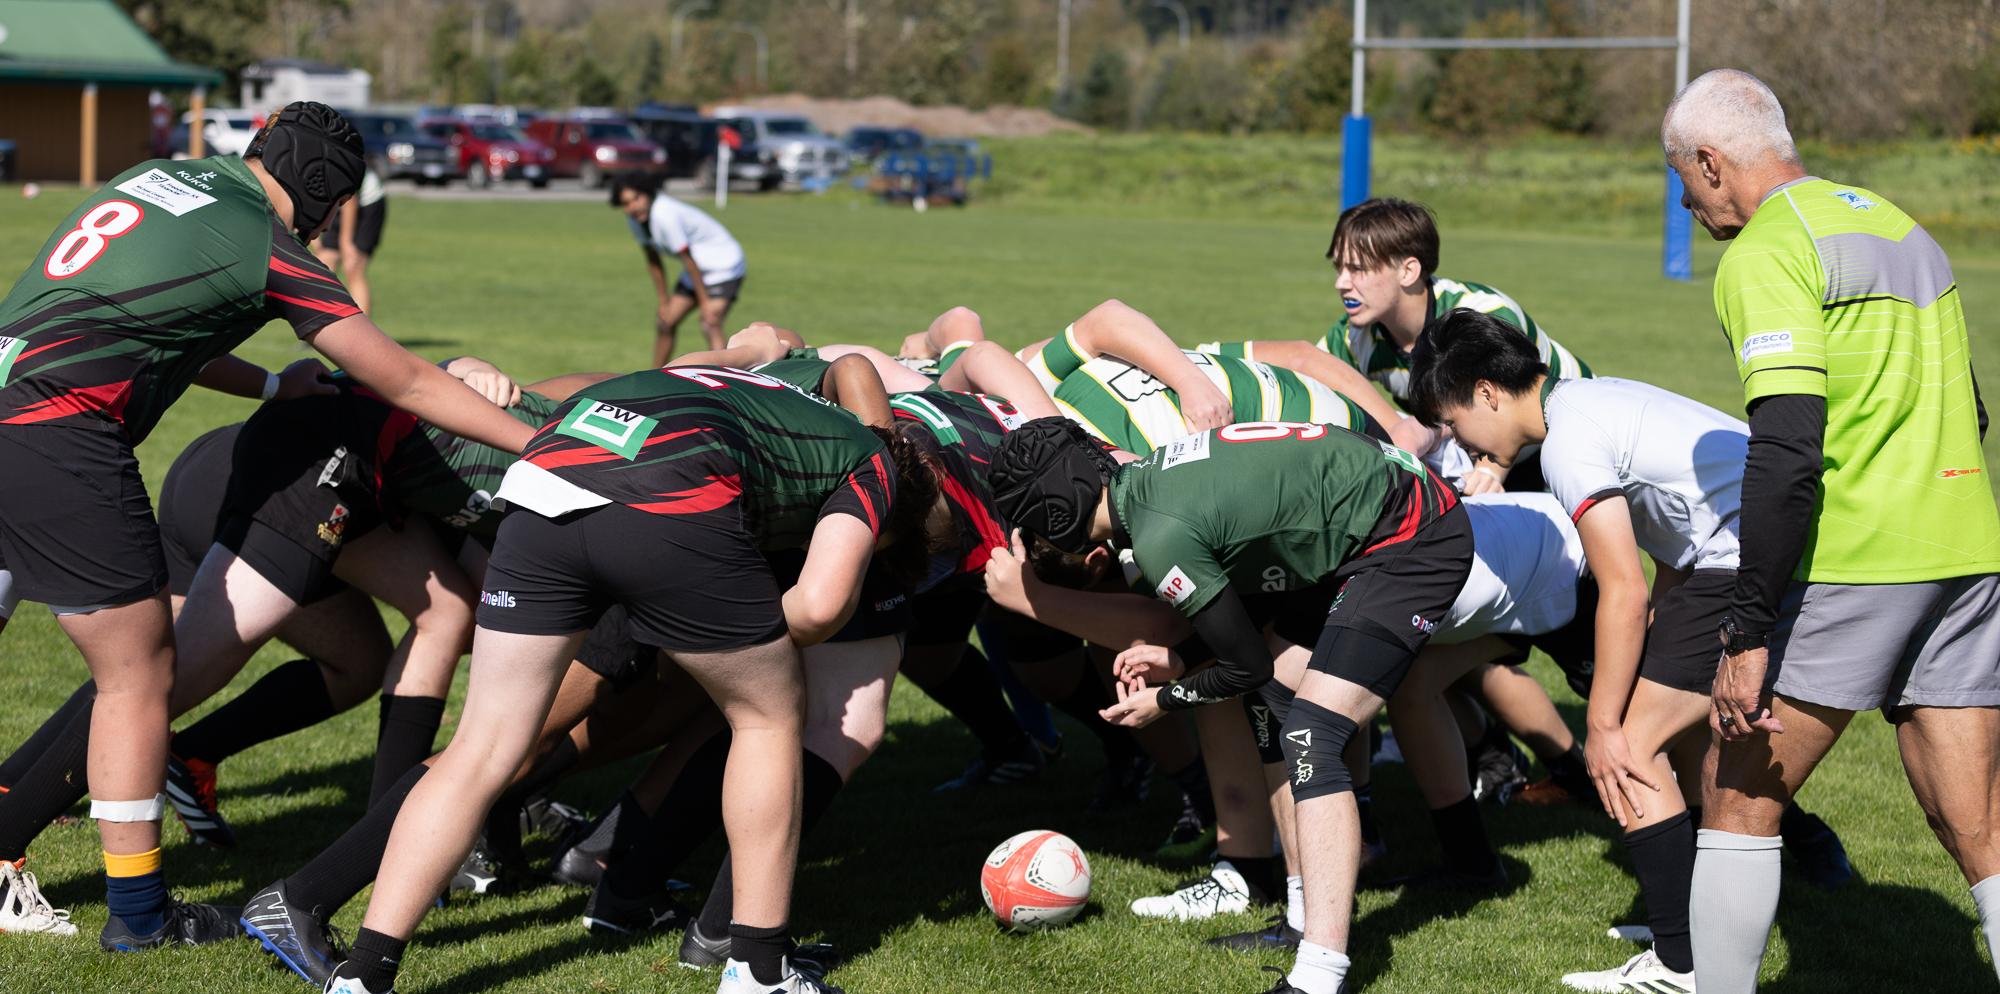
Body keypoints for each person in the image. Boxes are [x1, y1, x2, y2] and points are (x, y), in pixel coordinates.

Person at [0, 100, 535, 952]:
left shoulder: (163, 178)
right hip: (57, 431)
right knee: (141, 672)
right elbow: (402, 379)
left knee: (129, 666)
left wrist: (270, 387)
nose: (330, 223)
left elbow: (153, 318)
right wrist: (542, 446)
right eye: (335, 202)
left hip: (10, 394)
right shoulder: (263, 239)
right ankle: (139, 919)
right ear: (321, 187)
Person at [320, 364, 938, 994]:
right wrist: (726, 634)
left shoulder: (764, 392)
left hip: (542, 485)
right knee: (768, 717)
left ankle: (363, 974)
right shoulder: (875, 464)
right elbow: (824, 603)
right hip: (670, 495)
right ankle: (758, 969)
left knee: (481, 748)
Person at [1659, 69, 2000, 992]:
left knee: (1734, 796)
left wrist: (1747, 629)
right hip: (1968, 549)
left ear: (1710, 161)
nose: (1687, 203)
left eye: (1682, 180)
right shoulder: (1900, 226)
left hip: (1858, 559)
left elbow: (1786, 453)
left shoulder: (1768, 250)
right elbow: (1969, 407)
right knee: (1976, 825)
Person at [1406, 308, 1853, 992]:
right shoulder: (1588, 400)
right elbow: (1675, 539)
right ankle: (1699, 918)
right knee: (1678, 744)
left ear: (1488, 393)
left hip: (1745, 559)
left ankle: (1682, 962)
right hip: (1761, 550)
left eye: (1458, 424)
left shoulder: (1565, 445)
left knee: (1629, 753)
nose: (1465, 447)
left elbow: (1624, 592)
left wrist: (1604, 723)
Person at [987, 416, 1474, 994]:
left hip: (1411, 536)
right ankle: (1300, 916)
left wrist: (1164, 700)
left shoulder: (1156, 533)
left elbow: (1246, 665)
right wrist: (1181, 654)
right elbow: (1249, 641)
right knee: (1277, 698)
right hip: (1366, 524)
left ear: (1055, 511)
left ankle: (1322, 974)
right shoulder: (1144, 487)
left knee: (1312, 736)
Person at [1202, 197, 1591, 492]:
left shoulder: (1483, 314)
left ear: (1408, 270)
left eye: (1358, 269)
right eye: (1339, 268)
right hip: (1483, 447)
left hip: (1569, 436)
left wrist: (1490, 467)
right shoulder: (1357, 337)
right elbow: (1306, 370)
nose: (1341, 282)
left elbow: (1507, 407)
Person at [610, 171, 747, 364]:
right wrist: (664, 302)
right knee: (665, 322)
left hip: (723, 265)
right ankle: (653, 380)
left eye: (636, 199)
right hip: (698, 269)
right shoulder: (636, 220)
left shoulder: (665, 215)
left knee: (710, 322)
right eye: (626, 203)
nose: (632, 206)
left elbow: (688, 259)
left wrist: (705, 303)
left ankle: (726, 383)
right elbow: (653, 260)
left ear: (648, 193)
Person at [315, 166, 386, 313]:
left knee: (353, 267)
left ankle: (362, 333)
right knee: (323, 264)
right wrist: (315, 240)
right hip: (336, 206)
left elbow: (350, 202)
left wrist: (346, 243)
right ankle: (324, 327)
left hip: (367, 204)